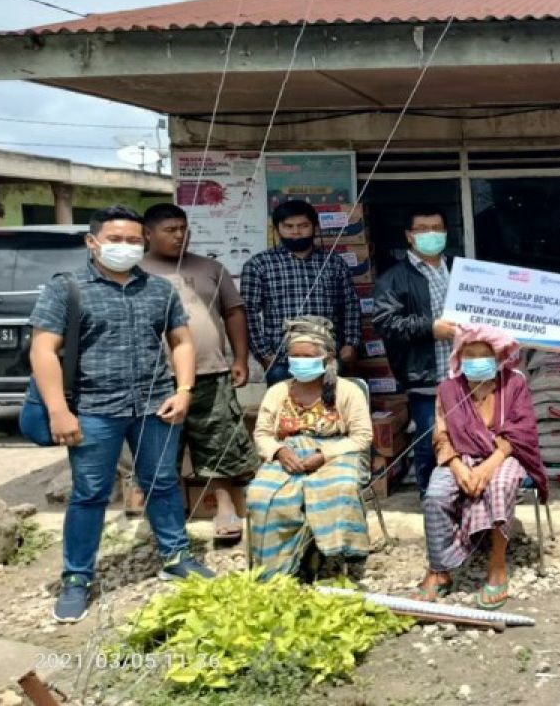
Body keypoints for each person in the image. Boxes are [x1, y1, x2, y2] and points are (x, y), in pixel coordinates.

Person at [25, 205, 213, 624]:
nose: (124, 247)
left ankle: (176, 556)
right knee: (90, 494)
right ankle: (76, 578)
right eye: (114, 239)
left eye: (132, 240)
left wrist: (184, 390)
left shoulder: (159, 290)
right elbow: (43, 350)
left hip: (154, 405)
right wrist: (59, 411)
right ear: (92, 242)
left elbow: (180, 342)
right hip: (93, 409)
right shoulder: (67, 288)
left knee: (163, 483)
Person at [141, 204, 261, 544]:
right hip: (158, 377)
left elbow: (234, 313)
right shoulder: (135, 272)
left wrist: (239, 357)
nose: (179, 234)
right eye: (170, 229)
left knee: (219, 440)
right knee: (163, 449)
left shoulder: (210, 267)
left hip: (211, 370)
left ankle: (224, 507)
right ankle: (168, 518)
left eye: (183, 228)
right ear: (148, 234)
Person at [413, 325, 547, 611]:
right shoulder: (448, 389)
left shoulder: (514, 384)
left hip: (503, 456)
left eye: (483, 355)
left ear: (497, 356)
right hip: (459, 458)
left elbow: (521, 433)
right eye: (469, 354)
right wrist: (459, 468)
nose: (475, 360)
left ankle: (497, 565)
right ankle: (439, 569)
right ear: (459, 357)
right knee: (435, 495)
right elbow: (441, 435)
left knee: (499, 486)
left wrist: (487, 468)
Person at [247, 316, 373, 581]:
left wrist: (323, 456)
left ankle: (333, 560)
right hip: (288, 454)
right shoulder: (278, 391)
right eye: (295, 357)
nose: (300, 362)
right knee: (261, 495)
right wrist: (279, 452)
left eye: (307, 356)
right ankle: (277, 568)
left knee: (338, 488)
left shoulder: (347, 391)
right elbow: (262, 434)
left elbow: (362, 437)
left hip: (336, 453)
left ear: (326, 359)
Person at [370, 208, 457, 495]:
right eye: (422, 229)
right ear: (409, 236)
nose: (431, 234)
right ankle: (429, 497)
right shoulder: (393, 278)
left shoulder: (460, 270)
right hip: (425, 375)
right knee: (429, 439)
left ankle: (462, 495)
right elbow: (386, 322)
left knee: (467, 437)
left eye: (437, 227)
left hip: (464, 373)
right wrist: (431, 328)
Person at [241, 200, 360, 385]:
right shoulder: (259, 265)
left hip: (328, 357)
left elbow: (351, 306)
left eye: (303, 226)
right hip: (282, 361)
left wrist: (351, 343)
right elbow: (249, 313)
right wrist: (264, 354)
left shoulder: (334, 263)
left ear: (315, 227)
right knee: (287, 412)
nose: (296, 232)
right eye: (288, 226)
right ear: (277, 229)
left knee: (331, 412)